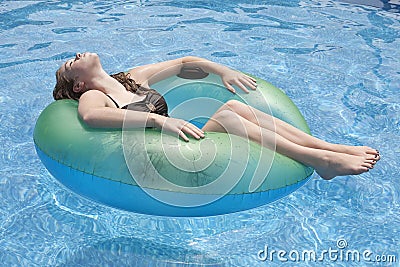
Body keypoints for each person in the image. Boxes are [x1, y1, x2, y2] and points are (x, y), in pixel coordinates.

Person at [53, 52, 380, 180]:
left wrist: (221, 70)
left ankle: (328, 149)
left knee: (236, 108)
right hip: (159, 163)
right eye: (70, 63)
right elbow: (91, 118)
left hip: (179, 147)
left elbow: (184, 63)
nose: (77, 55)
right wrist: (158, 120)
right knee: (230, 119)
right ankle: (318, 160)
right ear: (78, 83)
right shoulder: (95, 94)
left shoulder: (134, 77)